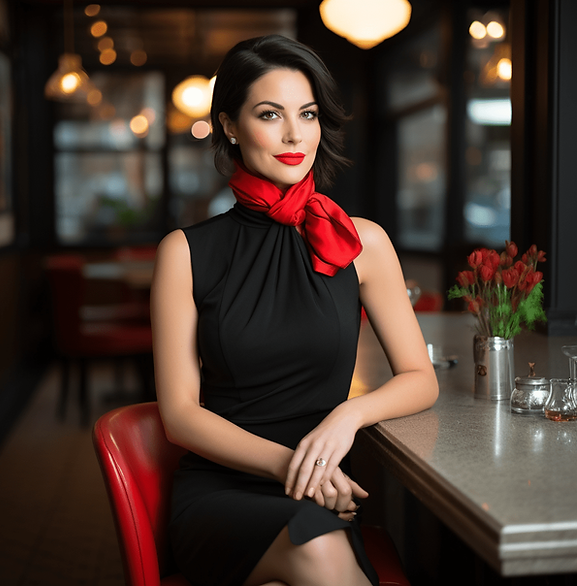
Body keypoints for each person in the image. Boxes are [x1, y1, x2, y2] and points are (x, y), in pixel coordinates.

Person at [150, 34, 438, 586]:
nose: (293, 134)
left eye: (306, 114)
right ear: (230, 125)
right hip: (225, 492)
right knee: (321, 553)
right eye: (269, 114)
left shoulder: (363, 241)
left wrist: (347, 417)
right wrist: (297, 467)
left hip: (321, 492)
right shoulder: (184, 252)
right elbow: (181, 416)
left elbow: (420, 380)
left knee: (315, 549)